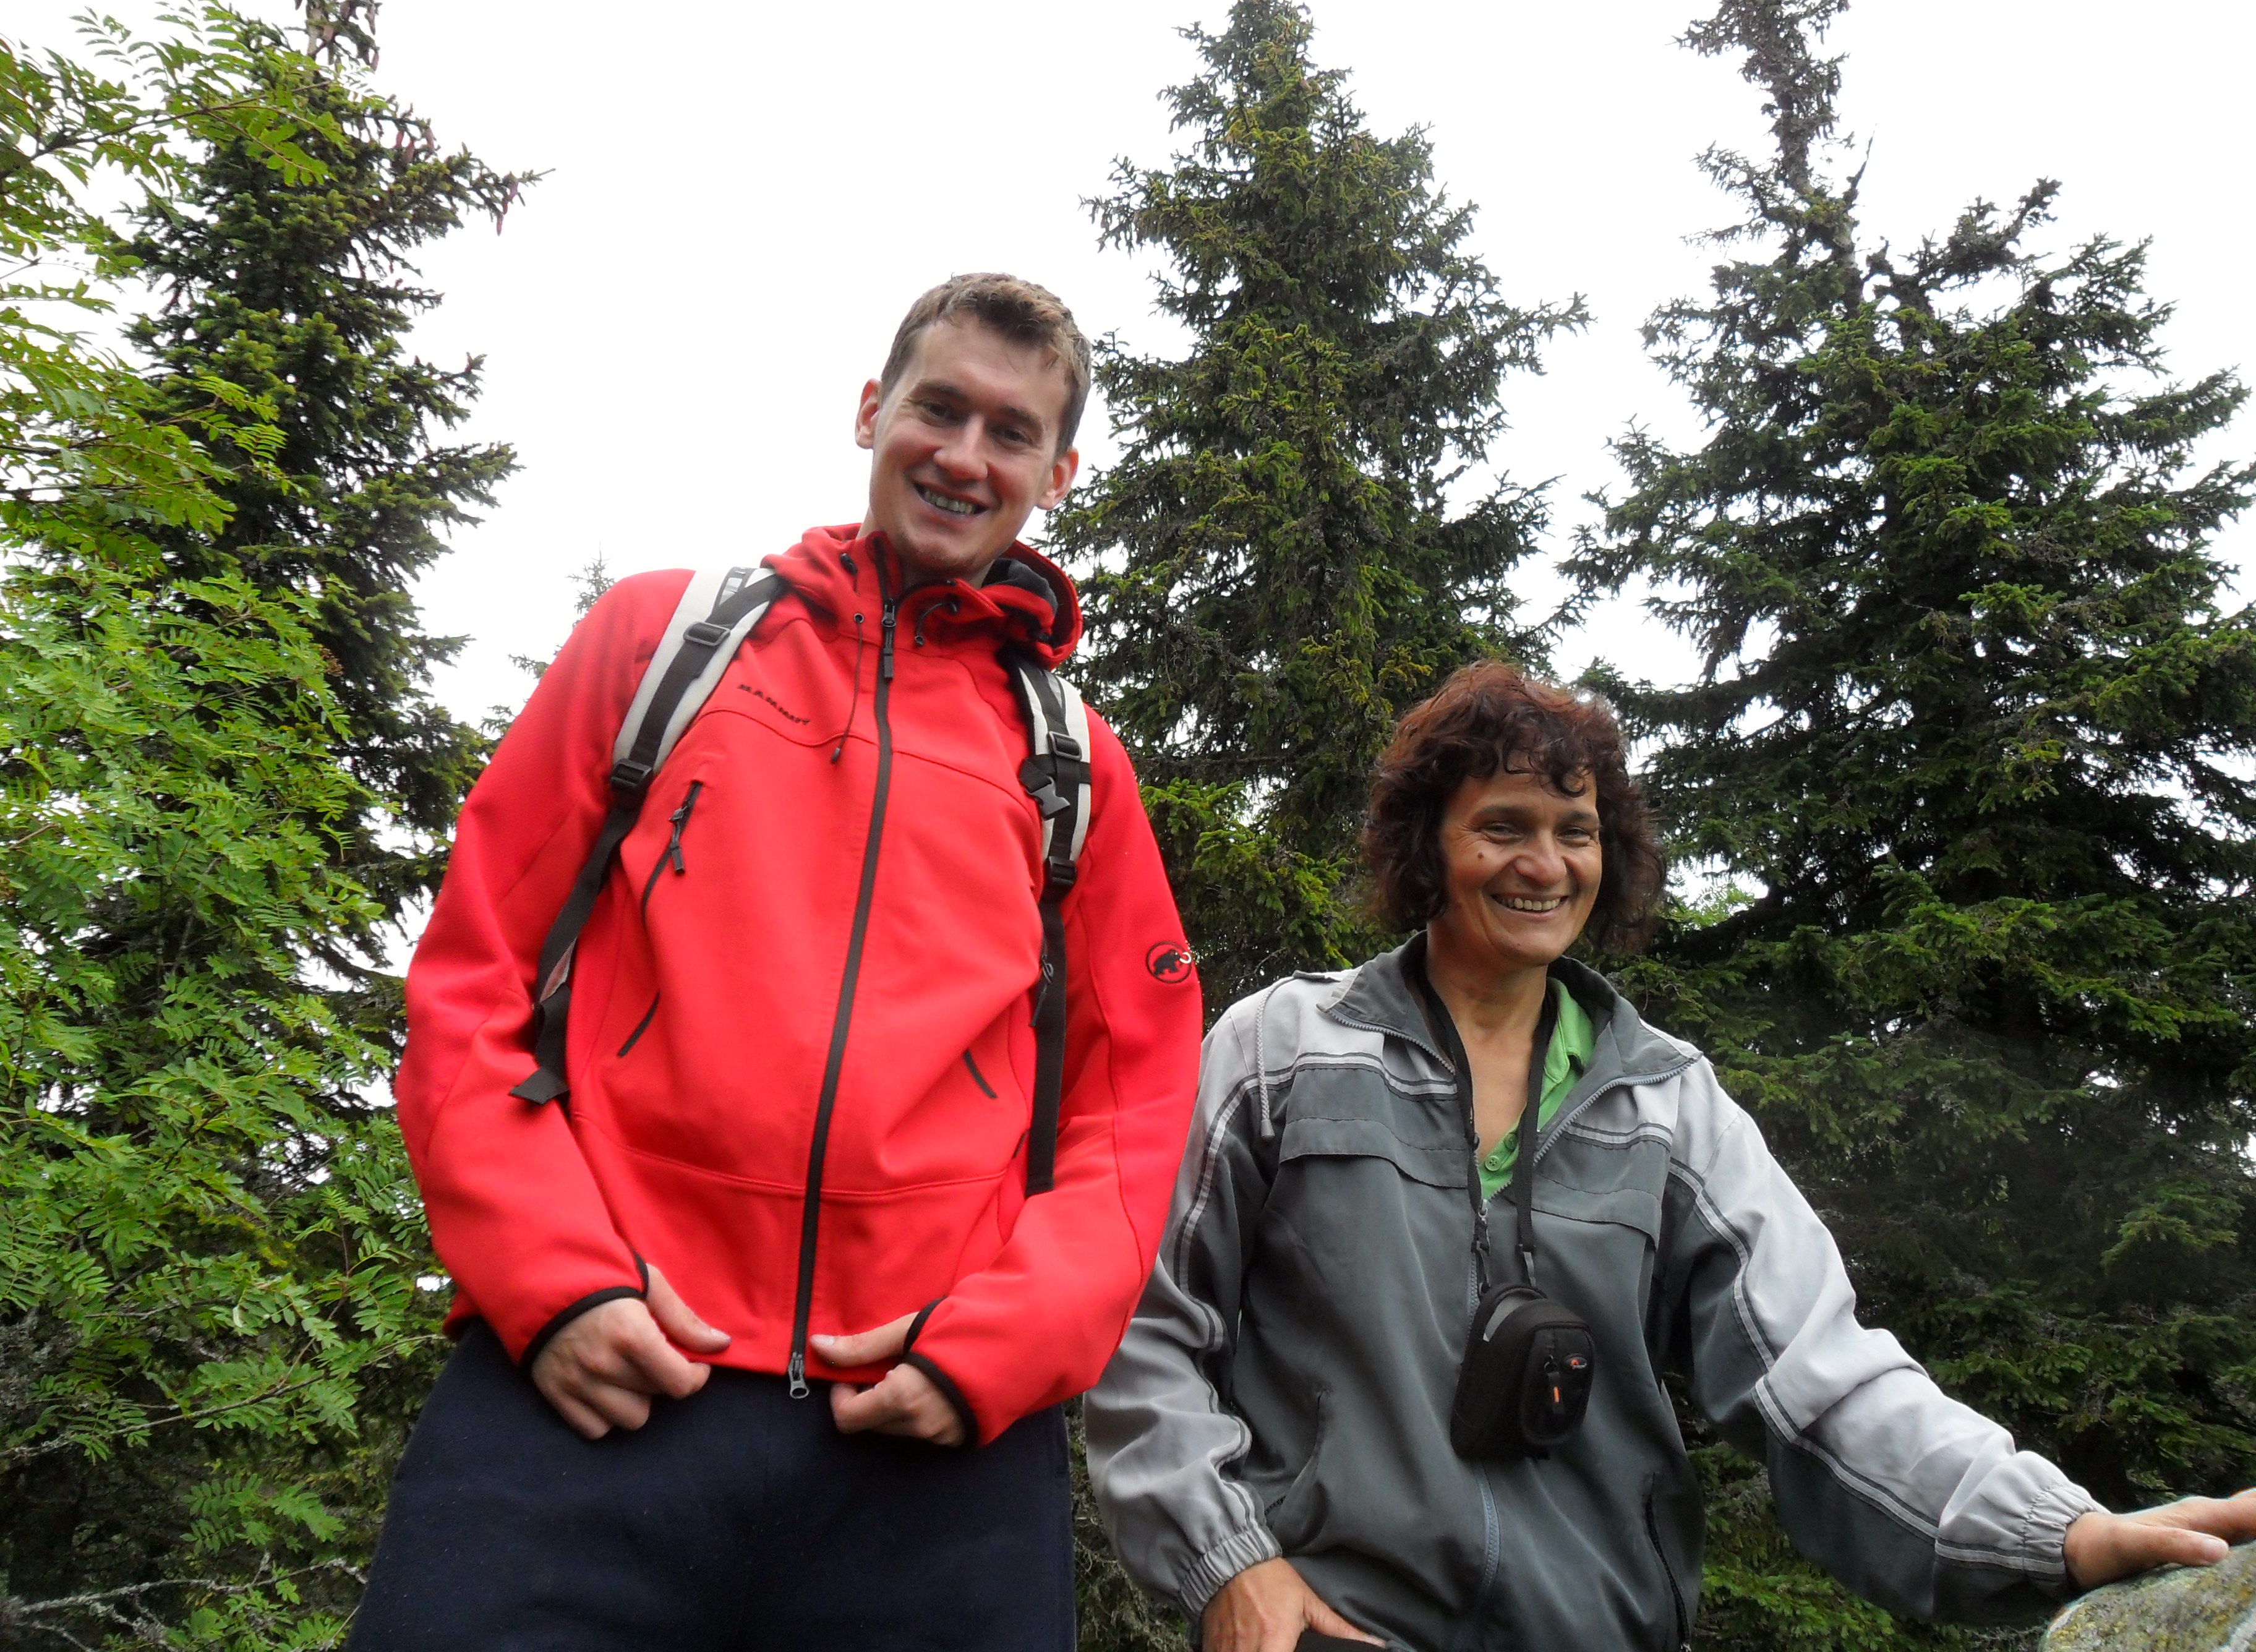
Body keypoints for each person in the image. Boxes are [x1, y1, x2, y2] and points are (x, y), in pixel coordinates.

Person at [352, 273, 1204, 1651]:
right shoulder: (661, 645)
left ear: (1057, 473)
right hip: (592, 1389)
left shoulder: (1075, 767)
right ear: (871, 410)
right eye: (938, 408)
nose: (964, 455)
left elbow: (1134, 1101)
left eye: (1011, 431)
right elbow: (473, 977)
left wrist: (998, 1345)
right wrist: (553, 1277)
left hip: (929, 1449)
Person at [1086, 661, 2256, 1651]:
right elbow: (1145, 1327)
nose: (1546, 865)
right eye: (1503, 827)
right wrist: (1228, 1561)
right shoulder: (1283, 1051)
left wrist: (2054, 1530)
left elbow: (1819, 1379)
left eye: (1576, 832)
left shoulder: (1665, 1103)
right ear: (1427, 844)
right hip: (1338, 1633)